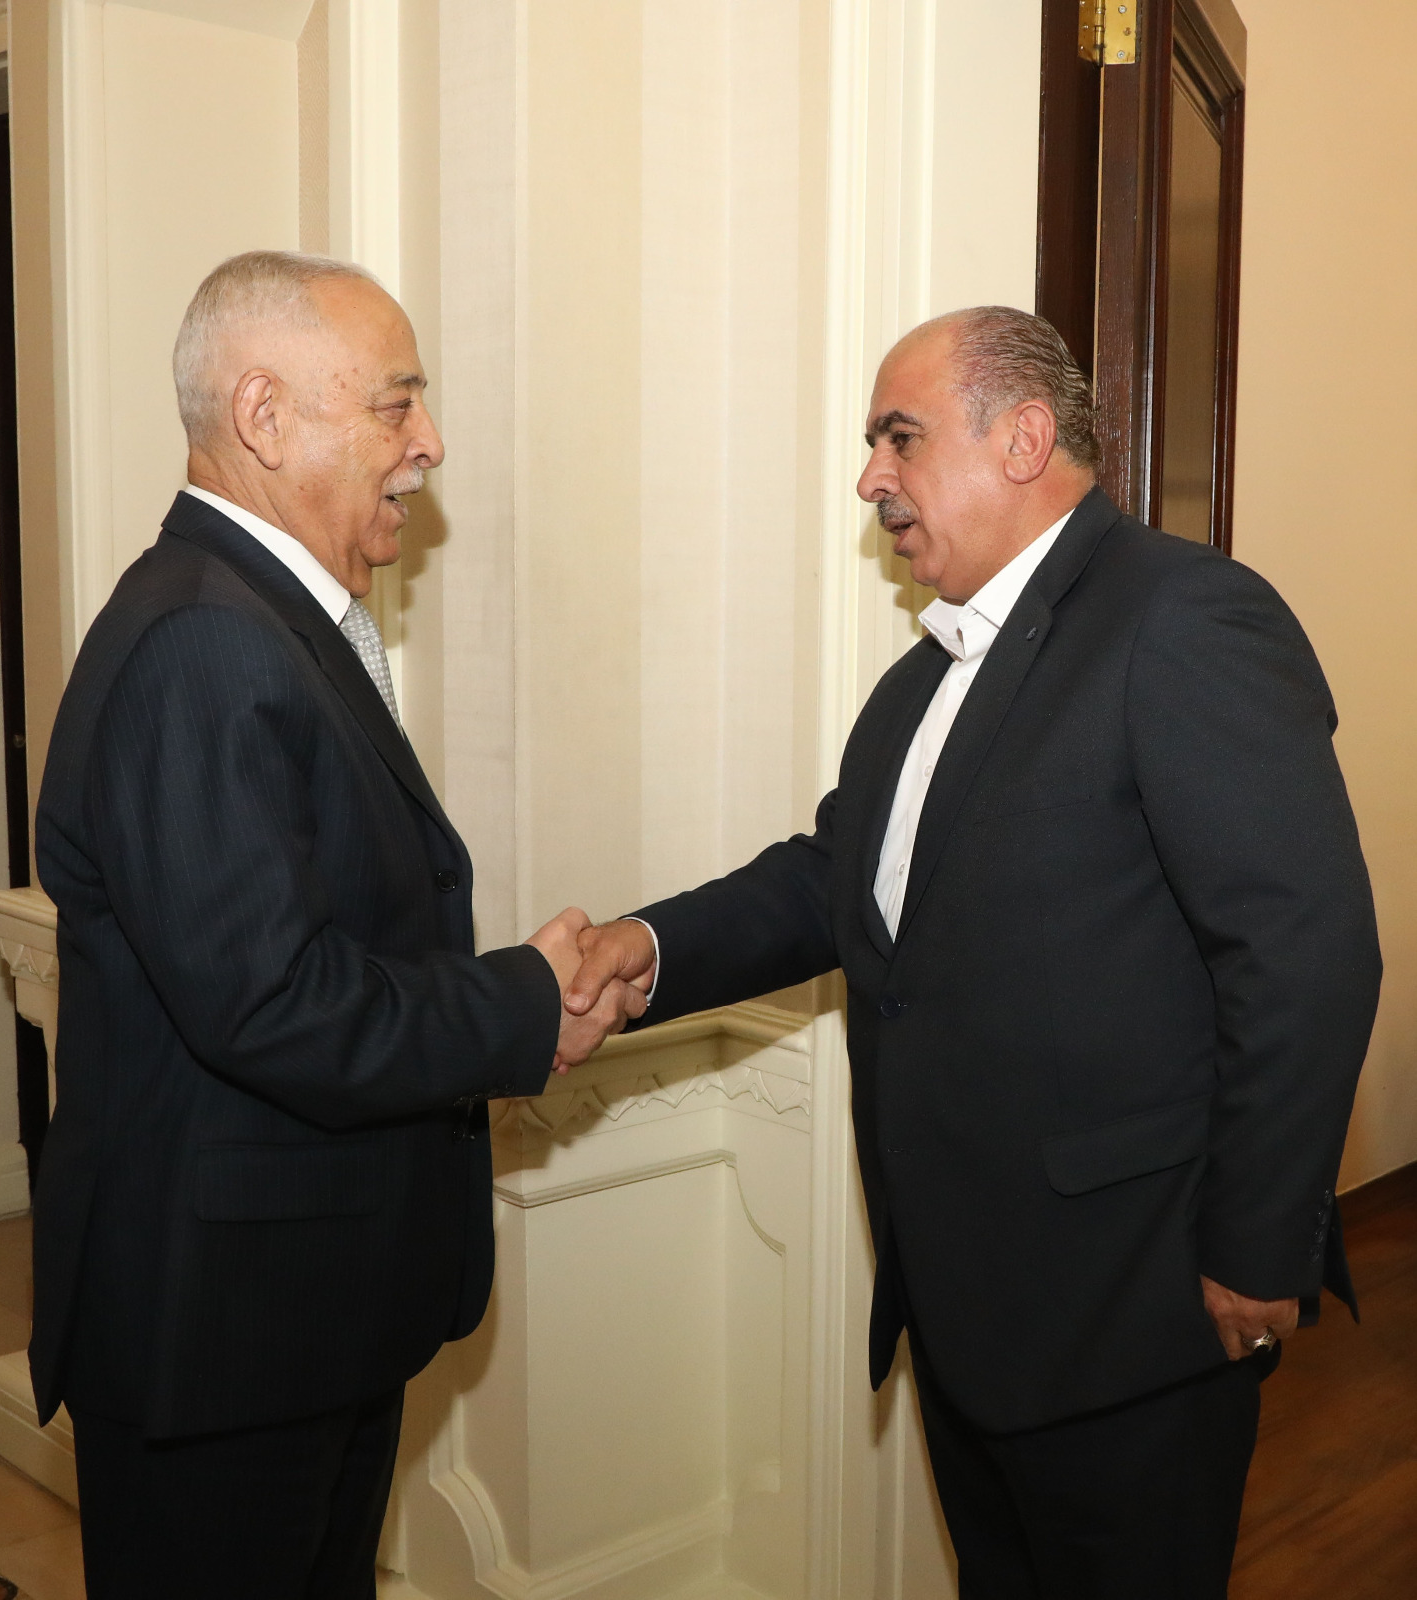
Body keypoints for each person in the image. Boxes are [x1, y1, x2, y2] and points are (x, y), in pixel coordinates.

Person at [566, 307, 1382, 1597]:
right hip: (966, 1311)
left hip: (1137, 1310)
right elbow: (836, 878)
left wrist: (1256, 1246)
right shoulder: (922, 680)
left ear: (1025, 439)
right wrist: (646, 948)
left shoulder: (1184, 615)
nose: (870, 479)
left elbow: (1306, 950)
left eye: (900, 438)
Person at [31, 251, 640, 1600]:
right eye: (394, 403)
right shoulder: (204, 643)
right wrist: (523, 1000)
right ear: (263, 417)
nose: (430, 442)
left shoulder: (261, 618)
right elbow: (272, 1003)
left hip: (293, 1315)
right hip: (224, 1336)